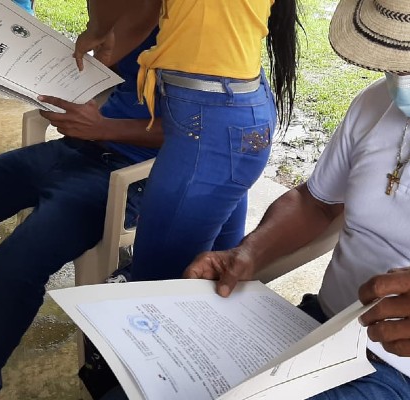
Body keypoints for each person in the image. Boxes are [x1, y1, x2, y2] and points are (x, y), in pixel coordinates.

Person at [183, 1, 410, 399]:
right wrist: (249, 253)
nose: (407, 78)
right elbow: (316, 203)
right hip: (318, 330)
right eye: (395, 59)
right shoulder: (377, 102)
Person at [0, 27, 163, 399]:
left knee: (17, 263)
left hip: (126, 176)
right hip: (75, 150)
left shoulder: (197, 33)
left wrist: (104, 127)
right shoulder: (135, 16)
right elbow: (107, 85)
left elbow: (205, 135)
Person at [73, 0, 301, 282]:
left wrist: (98, 29)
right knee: (217, 272)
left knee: (157, 284)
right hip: (241, 109)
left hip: (210, 119)